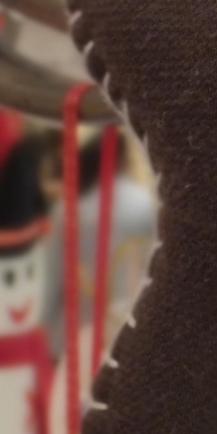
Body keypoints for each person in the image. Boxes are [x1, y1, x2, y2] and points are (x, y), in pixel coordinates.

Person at [43, 132, 155, 356]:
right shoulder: (144, 204)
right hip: (125, 332)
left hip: (72, 336)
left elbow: (52, 277)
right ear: (124, 159)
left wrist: (43, 325)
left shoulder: (66, 209)